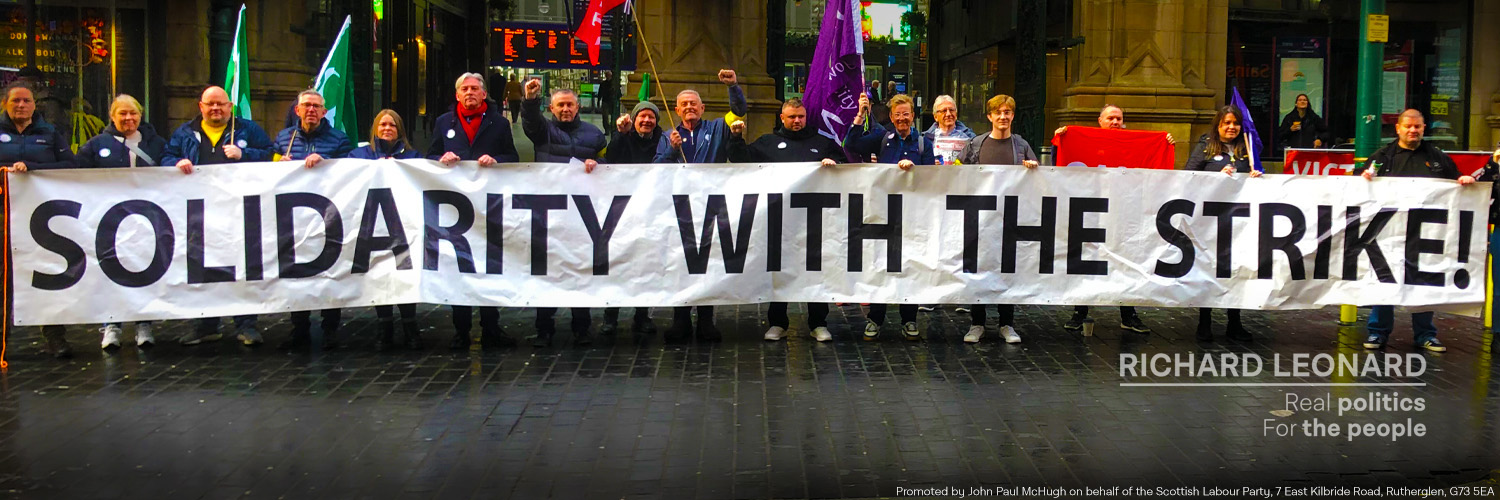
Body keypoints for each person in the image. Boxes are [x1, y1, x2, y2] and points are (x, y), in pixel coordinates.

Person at [1354, 109, 1476, 352]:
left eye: (1417, 127)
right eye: (1408, 126)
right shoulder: (1383, 157)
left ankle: (1426, 334)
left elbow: (1456, 180)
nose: (1413, 131)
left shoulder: (1437, 157)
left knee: (1424, 282)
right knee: (1385, 281)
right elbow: (1360, 185)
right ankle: (1378, 333)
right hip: (1389, 235)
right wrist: (1365, 177)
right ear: (1398, 128)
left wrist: (1464, 181)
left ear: (1423, 129)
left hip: (1426, 235)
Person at [164, 86, 274, 346]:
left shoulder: (249, 130)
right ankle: (205, 324)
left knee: (242, 267)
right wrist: (174, 164)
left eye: (221, 104)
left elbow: (271, 154)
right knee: (203, 269)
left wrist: (244, 154)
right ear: (200, 107)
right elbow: (167, 155)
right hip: (199, 216)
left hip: (238, 213)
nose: (216, 108)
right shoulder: (184, 133)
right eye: (210, 104)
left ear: (230, 107)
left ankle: (245, 324)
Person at [728, 97, 841, 342]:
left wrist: (835, 165)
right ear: (782, 118)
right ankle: (778, 322)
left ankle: (818, 322)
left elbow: (844, 167)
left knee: (815, 271)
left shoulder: (822, 143)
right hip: (778, 221)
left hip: (814, 221)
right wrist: (736, 139)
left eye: (800, 116)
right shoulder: (768, 143)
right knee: (778, 271)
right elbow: (741, 161)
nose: (797, 121)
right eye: (791, 117)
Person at [1049, 104, 1165, 335]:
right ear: (1099, 121)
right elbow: (1060, 167)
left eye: (1118, 118)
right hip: (1092, 214)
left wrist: (1165, 142)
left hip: (1124, 216)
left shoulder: (1133, 146)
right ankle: (1079, 312)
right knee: (1087, 261)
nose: (1114, 122)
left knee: (1125, 262)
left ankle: (1128, 314)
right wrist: (1059, 142)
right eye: (1110, 118)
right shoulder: (1088, 143)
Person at [427, 72, 521, 350]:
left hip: (487, 208)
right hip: (455, 210)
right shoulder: (444, 123)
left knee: (487, 267)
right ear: (457, 95)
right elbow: (430, 155)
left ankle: (491, 327)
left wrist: (497, 159)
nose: (470, 92)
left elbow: (513, 158)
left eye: (475, 89)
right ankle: (461, 330)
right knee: (459, 268)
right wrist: (440, 158)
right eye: (464, 89)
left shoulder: (499, 123)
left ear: (484, 94)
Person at [653, 69, 746, 343]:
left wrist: (733, 87)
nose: (689, 107)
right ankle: (679, 320)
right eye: (684, 104)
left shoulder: (717, 127)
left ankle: (706, 321)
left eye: (694, 103)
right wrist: (671, 150)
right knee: (681, 265)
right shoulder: (667, 135)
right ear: (676, 109)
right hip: (679, 212)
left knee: (709, 263)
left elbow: (738, 111)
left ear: (702, 108)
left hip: (711, 209)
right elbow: (655, 169)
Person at [521, 77, 607, 347]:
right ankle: (544, 328)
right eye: (560, 105)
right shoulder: (543, 130)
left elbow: (610, 165)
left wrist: (599, 163)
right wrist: (530, 100)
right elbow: (531, 122)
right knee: (546, 271)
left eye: (570, 104)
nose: (566, 109)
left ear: (578, 106)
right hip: (549, 213)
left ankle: (582, 327)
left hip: (581, 216)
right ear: (551, 107)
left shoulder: (594, 135)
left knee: (580, 269)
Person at [77, 94, 167, 350]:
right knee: (110, 270)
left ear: (140, 115)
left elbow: (169, 167)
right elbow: (75, 175)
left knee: (145, 268)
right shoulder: (96, 145)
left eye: (133, 113)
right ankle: (111, 325)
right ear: (112, 116)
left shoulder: (156, 143)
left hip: (147, 220)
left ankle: (143, 323)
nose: (128, 118)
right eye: (122, 114)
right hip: (109, 220)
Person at [844, 93, 934, 340]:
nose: (902, 118)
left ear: (912, 116)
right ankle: (875, 319)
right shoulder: (882, 137)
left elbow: (932, 178)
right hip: (883, 213)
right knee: (880, 267)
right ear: (892, 117)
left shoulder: (925, 143)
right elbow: (850, 145)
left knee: (911, 268)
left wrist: (914, 172)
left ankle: (909, 320)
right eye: (897, 115)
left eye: (906, 114)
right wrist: (860, 115)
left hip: (913, 215)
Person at [271, 89, 355, 350]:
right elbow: (270, 171)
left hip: (329, 216)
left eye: (316, 106)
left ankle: (330, 328)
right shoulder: (285, 138)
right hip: (295, 219)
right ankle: (300, 328)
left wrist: (327, 161)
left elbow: (352, 169)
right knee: (298, 272)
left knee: (329, 270)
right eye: (306, 105)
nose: (311, 110)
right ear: (297, 110)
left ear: (324, 111)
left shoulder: (339, 139)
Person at [0, 82, 77, 358]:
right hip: (4, 214)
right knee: (4, 279)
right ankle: (2, 340)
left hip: (40, 218)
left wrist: (32, 169)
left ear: (34, 105)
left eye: (26, 101)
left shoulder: (50, 132)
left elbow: (69, 165)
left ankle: (55, 337)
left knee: (48, 272)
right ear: (6, 104)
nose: (21, 106)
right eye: (15, 101)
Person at [954, 94, 1037, 344]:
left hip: (1009, 220)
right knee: (977, 270)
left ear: (1013, 116)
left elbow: (1041, 179)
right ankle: (977, 323)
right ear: (989, 116)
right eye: (998, 112)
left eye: (1007, 112)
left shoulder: (1021, 146)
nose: (1003, 117)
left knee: (1007, 271)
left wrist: (1033, 169)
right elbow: (956, 173)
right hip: (979, 220)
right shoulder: (975, 145)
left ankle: (1006, 323)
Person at [1184, 105, 1262, 342]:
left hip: (1239, 223)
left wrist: (1257, 175)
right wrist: (1215, 177)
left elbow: (1259, 174)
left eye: (1235, 123)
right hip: (1210, 222)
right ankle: (1204, 322)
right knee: (1209, 270)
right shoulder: (1206, 146)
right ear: (1218, 125)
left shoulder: (1247, 148)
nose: (1231, 127)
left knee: (1236, 270)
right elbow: (1187, 175)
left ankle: (1234, 322)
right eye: (1226, 123)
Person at [350, 109, 424, 351]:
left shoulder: (413, 157)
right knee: (381, 276)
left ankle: (410, 327)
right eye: (382, 124)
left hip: (404, 227)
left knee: (404, 276)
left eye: (392, 124)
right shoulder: (360, 155)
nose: (387, 128)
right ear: (375, 129)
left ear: (399, 129)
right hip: (372, 227)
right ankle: (385, 328)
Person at [595, 101, 666, 341]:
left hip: (649, 210)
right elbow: (613, 157)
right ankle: (611, 315)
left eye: (651, 117)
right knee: (618, 261)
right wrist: (620, 135)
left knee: (643, 263)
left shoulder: (664, 141)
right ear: (634, 120)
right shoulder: (624, 137)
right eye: (642, 117)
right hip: (621, 209)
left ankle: (642, 314)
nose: (646, 121)